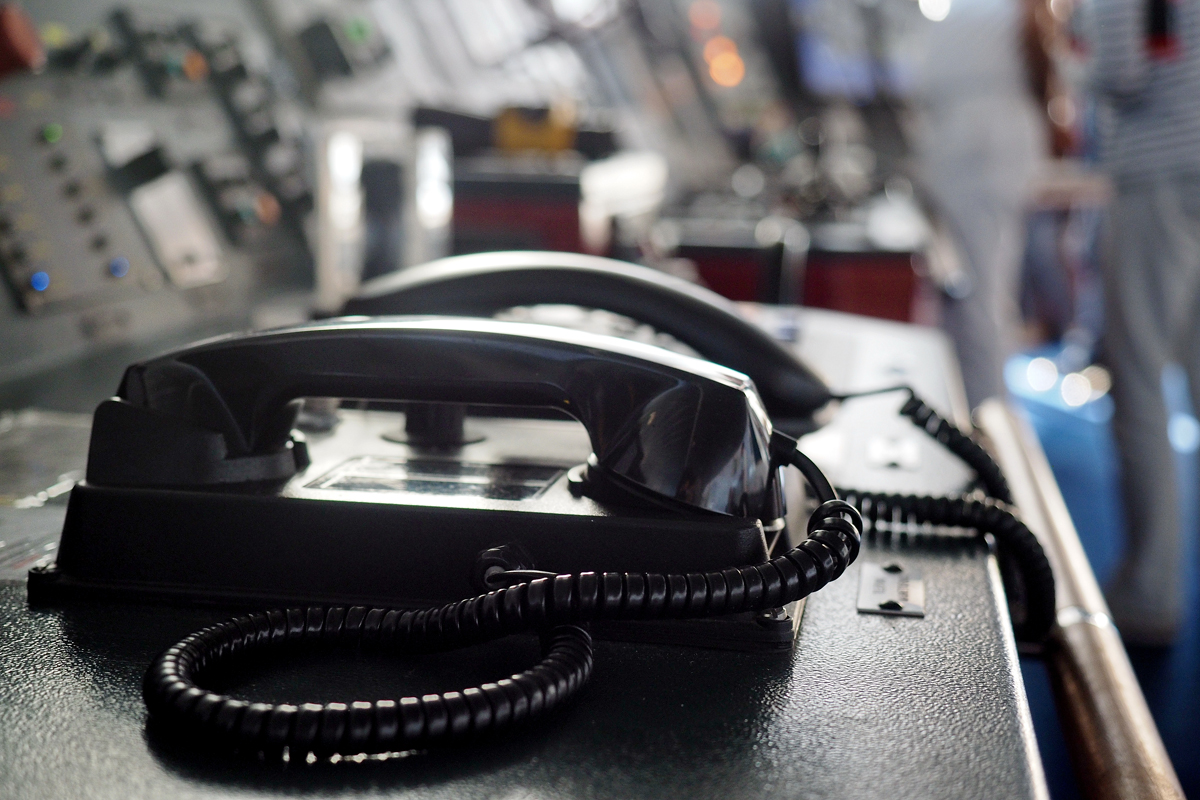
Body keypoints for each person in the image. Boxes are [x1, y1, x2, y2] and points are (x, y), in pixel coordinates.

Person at [1083, 0, 1200, 644]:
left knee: (1141, 381)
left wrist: (1070, 66)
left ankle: (1150, 591)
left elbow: (1121, 70)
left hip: (1158, 173)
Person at [915, 0, 1051, 409]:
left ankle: (989, 420)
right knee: (975, 297)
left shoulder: (979, 15)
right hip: (982, 147)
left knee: (980, 300)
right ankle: (982, 412)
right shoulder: (985, 15)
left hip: (976, 150)